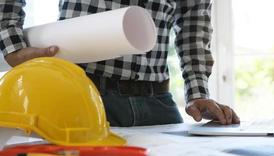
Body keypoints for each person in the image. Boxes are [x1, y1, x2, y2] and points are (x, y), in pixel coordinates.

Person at [0, 0, 240, 127]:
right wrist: (11, 42)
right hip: (81, 96)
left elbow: (193, 23)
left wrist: (197, 93)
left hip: (157, 103)